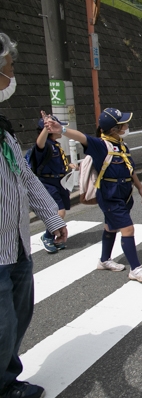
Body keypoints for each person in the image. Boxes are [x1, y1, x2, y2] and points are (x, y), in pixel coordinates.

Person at [0, 32, 68, 398]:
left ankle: (8, 381)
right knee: (2, 326)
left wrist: (53, 220)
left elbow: (25, 177)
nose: (13, 76)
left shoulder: (4, 132)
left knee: (16, 321)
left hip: (16, 248)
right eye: (9, 67)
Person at [44, 107, 142, 282]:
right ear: (114, 128)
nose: (127, 126)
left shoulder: (121, 145)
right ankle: (136, 269)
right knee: (128, 228)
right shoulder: (100, 145)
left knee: (111, 227)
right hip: (110, 195)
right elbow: (82, 137)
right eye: (124, 124)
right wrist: (62, 130)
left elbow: (130, 169)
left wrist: (140, 187)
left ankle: (104, 260)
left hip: (124, 194)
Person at [34, 116, 78, 253]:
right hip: (48, 182)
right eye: (56, 127)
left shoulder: (55, 144)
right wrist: (47, 129)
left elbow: (57, 163)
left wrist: (69, 166)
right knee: (59, 211)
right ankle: (47, 236)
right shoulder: (45, 144)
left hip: (59, 181)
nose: (60, 130)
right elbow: (38, 144)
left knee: (60, 209)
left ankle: (55, 236)